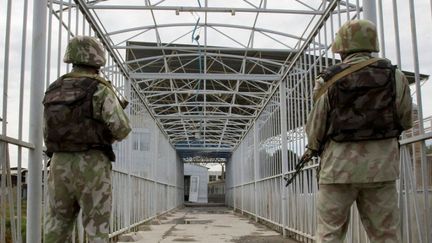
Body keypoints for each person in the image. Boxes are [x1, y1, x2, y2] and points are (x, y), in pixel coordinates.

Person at [305, 19, 412, 242]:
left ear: (341, 47)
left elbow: (316, 126)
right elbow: (405, 119)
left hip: (337, 169)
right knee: (386, 235)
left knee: (329, 234)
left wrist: (313, 148)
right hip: (381, 167)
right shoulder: (395, 76)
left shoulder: (328, 79)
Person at [43, 36, 131, 242]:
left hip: (58, 163)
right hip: (93, 164)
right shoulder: (100, 87)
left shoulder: (54, 88)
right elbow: (122, 129)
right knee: (96, 228)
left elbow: (47, 130)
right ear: (98, 58)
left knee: (56, 225)